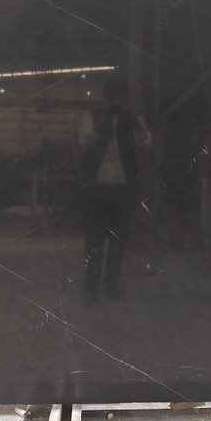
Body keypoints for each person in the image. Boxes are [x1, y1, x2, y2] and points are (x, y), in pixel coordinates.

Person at [78, 76, 150, 302]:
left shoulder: (133, 119)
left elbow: (146, 143)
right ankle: (91, 287)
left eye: (120, 97)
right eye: (112, 96)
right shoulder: (92, 116)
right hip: (97, 189)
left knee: (118, 241)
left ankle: (111, 285)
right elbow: (84, 142)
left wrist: (136, 120)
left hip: (123, 188)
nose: (116, 101)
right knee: (94, 241)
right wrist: (104, 118)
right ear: (105, 97)